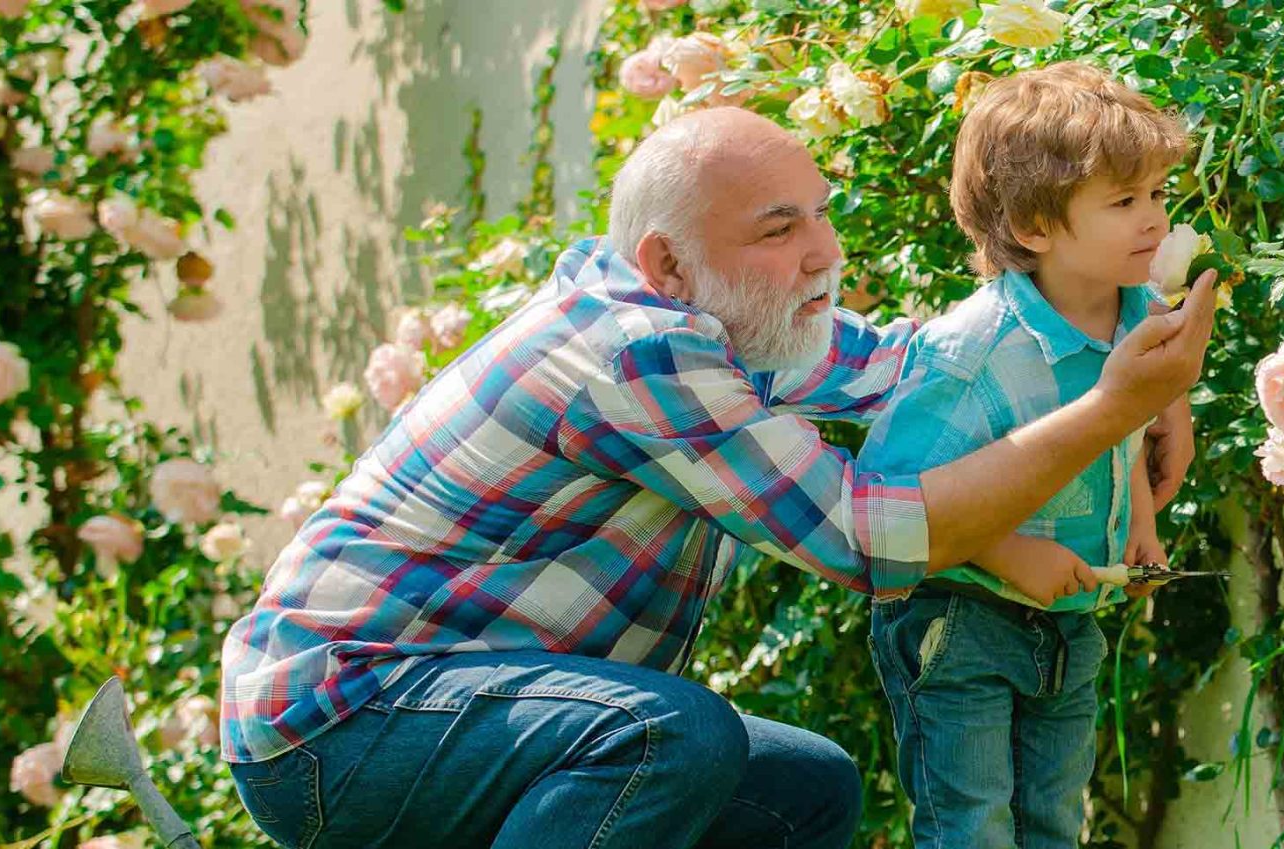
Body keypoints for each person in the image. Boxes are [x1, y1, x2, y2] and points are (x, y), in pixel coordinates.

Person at [216, 106, 1216, 849]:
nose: (823, 252)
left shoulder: (733, 321)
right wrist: (1113, 407)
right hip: (339, 728)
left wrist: (1119, 354)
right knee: (668, 736)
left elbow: (921, 365)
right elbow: (869, 541)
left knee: (803, 789)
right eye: (778, 230)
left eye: (820, 217)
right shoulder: (635, 353)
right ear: (668, 262)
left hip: (446, 714)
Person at [860, 62, 1206, 849]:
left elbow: (1114, 431)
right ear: (1034, 227)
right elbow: (888, 494)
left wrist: (1141, 519)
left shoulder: (1138, 313)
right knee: (971, 825)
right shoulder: (975, 351)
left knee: (1054, 821)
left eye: (1157, 193)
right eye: (1123, 202)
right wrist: (1011, 551)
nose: (1154, 220)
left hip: (1069, 622)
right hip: (962, 619)